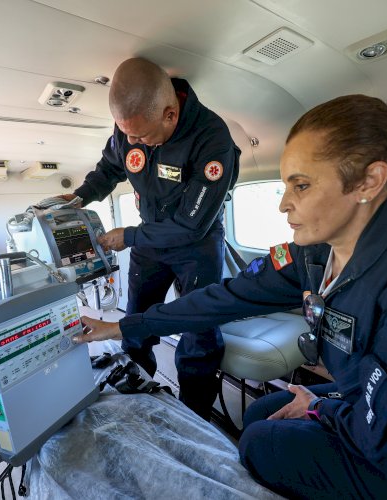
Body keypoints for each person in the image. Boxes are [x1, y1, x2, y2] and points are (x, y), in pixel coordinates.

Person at [74, 94, 387, 498]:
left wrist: (321, 409)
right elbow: (227, 296)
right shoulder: (322, 250)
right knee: (266, 413)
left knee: (263, 442)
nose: (285, 203)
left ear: (368, 182)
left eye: (302, 185)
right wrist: (124, 326)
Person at [44, 57, 240, 420]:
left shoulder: (213, 139)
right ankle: (138, 390)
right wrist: (81, 196)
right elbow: (110, 168)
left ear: (169, 114)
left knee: (198, 330)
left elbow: (191, 225)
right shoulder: (130, 128)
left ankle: (194, 414)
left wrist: (130, 235)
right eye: (126, 133)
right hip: (150, 239)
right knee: (137, 318)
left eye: (140, 136)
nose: (132, 142)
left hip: (196, 244)